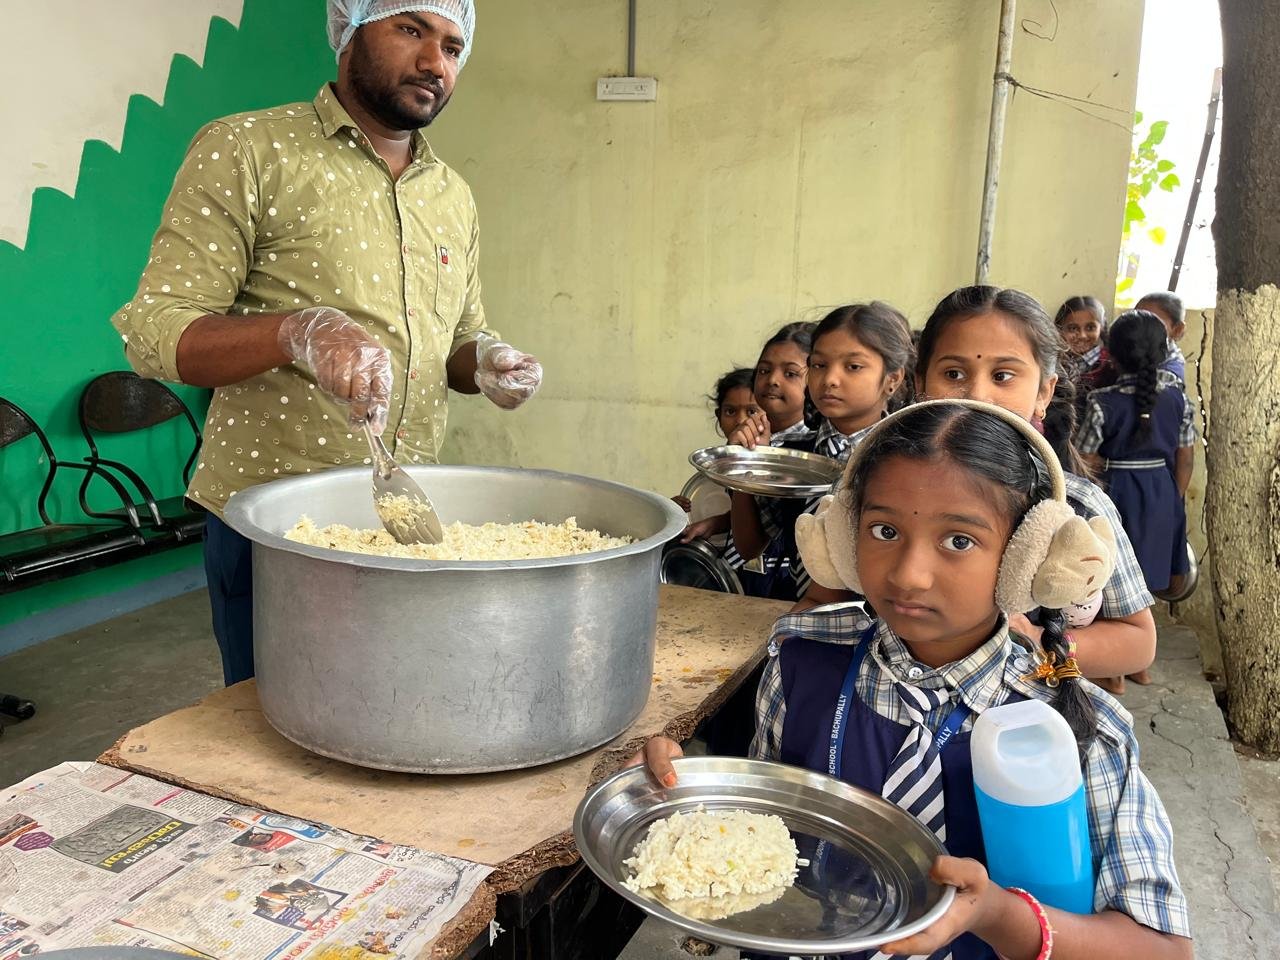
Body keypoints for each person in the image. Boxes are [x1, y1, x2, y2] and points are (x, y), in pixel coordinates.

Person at [633, 401, 1192, 960]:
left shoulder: (1076, 728)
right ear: (841, 537)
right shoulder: (801, 658)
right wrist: (684, 804)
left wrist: (999, 916)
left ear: (1028, 561)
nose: (908, 574)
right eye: (884, 530)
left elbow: (1163, 949)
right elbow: (764, 825)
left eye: (959, 541)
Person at [110, 0, 543, 686]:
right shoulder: (248, 149)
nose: (435, 63)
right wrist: (296, 331)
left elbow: (459, 337)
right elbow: (158, 330)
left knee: (399, 709)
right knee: (277, 721)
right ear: (351, 30)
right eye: (411, 30)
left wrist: (488, 362)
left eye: (453, 47)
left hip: (407, 518)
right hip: (275, 527)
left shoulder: (450, 195)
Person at [912, 286, 1157, 692]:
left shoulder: (1076, 506)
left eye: (1002, 376)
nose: (978, 395)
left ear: (1044, 392)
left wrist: (1042, 643)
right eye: (953, 374)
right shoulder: (888, 487)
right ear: (920, 382)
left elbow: (1138, 642)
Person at [729, 304, 913, 604]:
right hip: (799, 609)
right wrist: (747, 463)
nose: (830, 379)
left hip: (882, 615)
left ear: (892, 379)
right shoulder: (793, 454)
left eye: (853, 367)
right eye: (818, 365)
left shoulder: (907, 459)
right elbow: (750, 547)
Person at [1077, 310, 1195, 598]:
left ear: (1111, 355)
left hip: (1116, 492)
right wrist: (1173, 499)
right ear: (1163, 353)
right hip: (1162, 491)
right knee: (1151, 570)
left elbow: (1084, 459)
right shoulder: (1179, 399)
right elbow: (1186, 458)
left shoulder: (1101, 402)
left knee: (1114, 576)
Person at [1135, 291, 1188, 385]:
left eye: (1152, 325)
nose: (1140, 330)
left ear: (1177, 330)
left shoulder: (1167, 376)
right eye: (1136, 322)